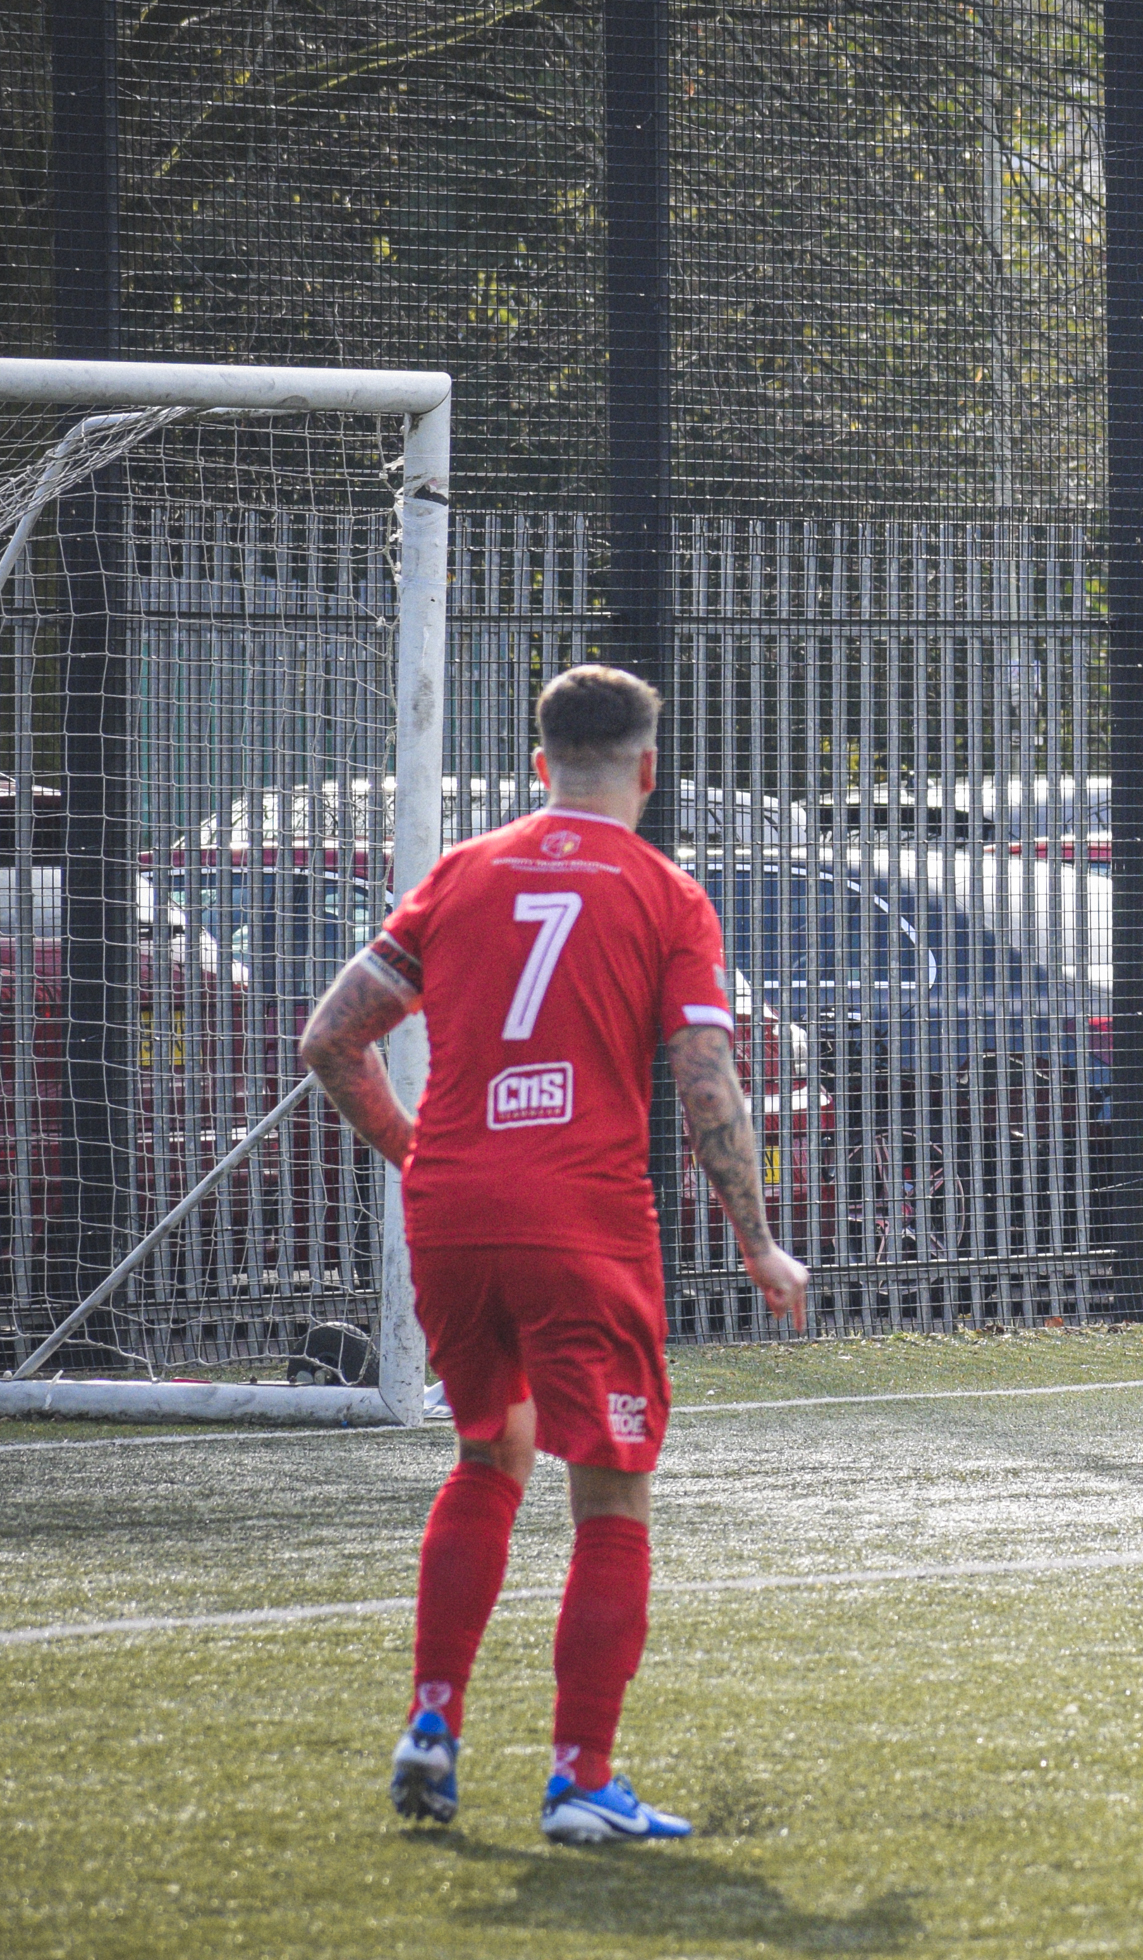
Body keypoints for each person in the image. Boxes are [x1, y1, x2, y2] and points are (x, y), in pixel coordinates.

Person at [299, 665, 810, 1843]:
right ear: (645, 767)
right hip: (582, 1221)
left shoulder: (462, 874)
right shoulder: (665, 893)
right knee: (612, 1487)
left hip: (455, 1214)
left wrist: (419, 1154)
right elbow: (705, 1079)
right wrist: (759, 1239)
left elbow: (330, 1038)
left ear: (540, 766)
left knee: (490, 1449)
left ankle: (432, 1723)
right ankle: (582, 1779)